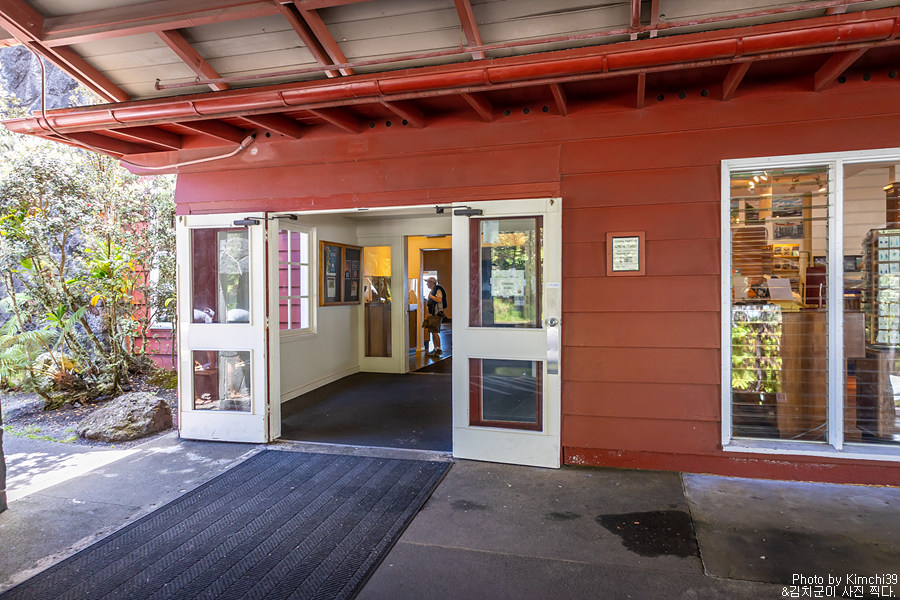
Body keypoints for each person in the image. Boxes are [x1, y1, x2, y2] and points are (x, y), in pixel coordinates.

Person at [423, 276, 447, 355]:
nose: (427, 284)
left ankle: (439, 349)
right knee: (433, 332)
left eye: (428, 282)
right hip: (432, 314)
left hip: (436, 314)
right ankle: (435, 348)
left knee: (435, 332)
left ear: (432, 283)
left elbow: (439, 299)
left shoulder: (437, 290)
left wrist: (431, 297)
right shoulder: (432, 291)